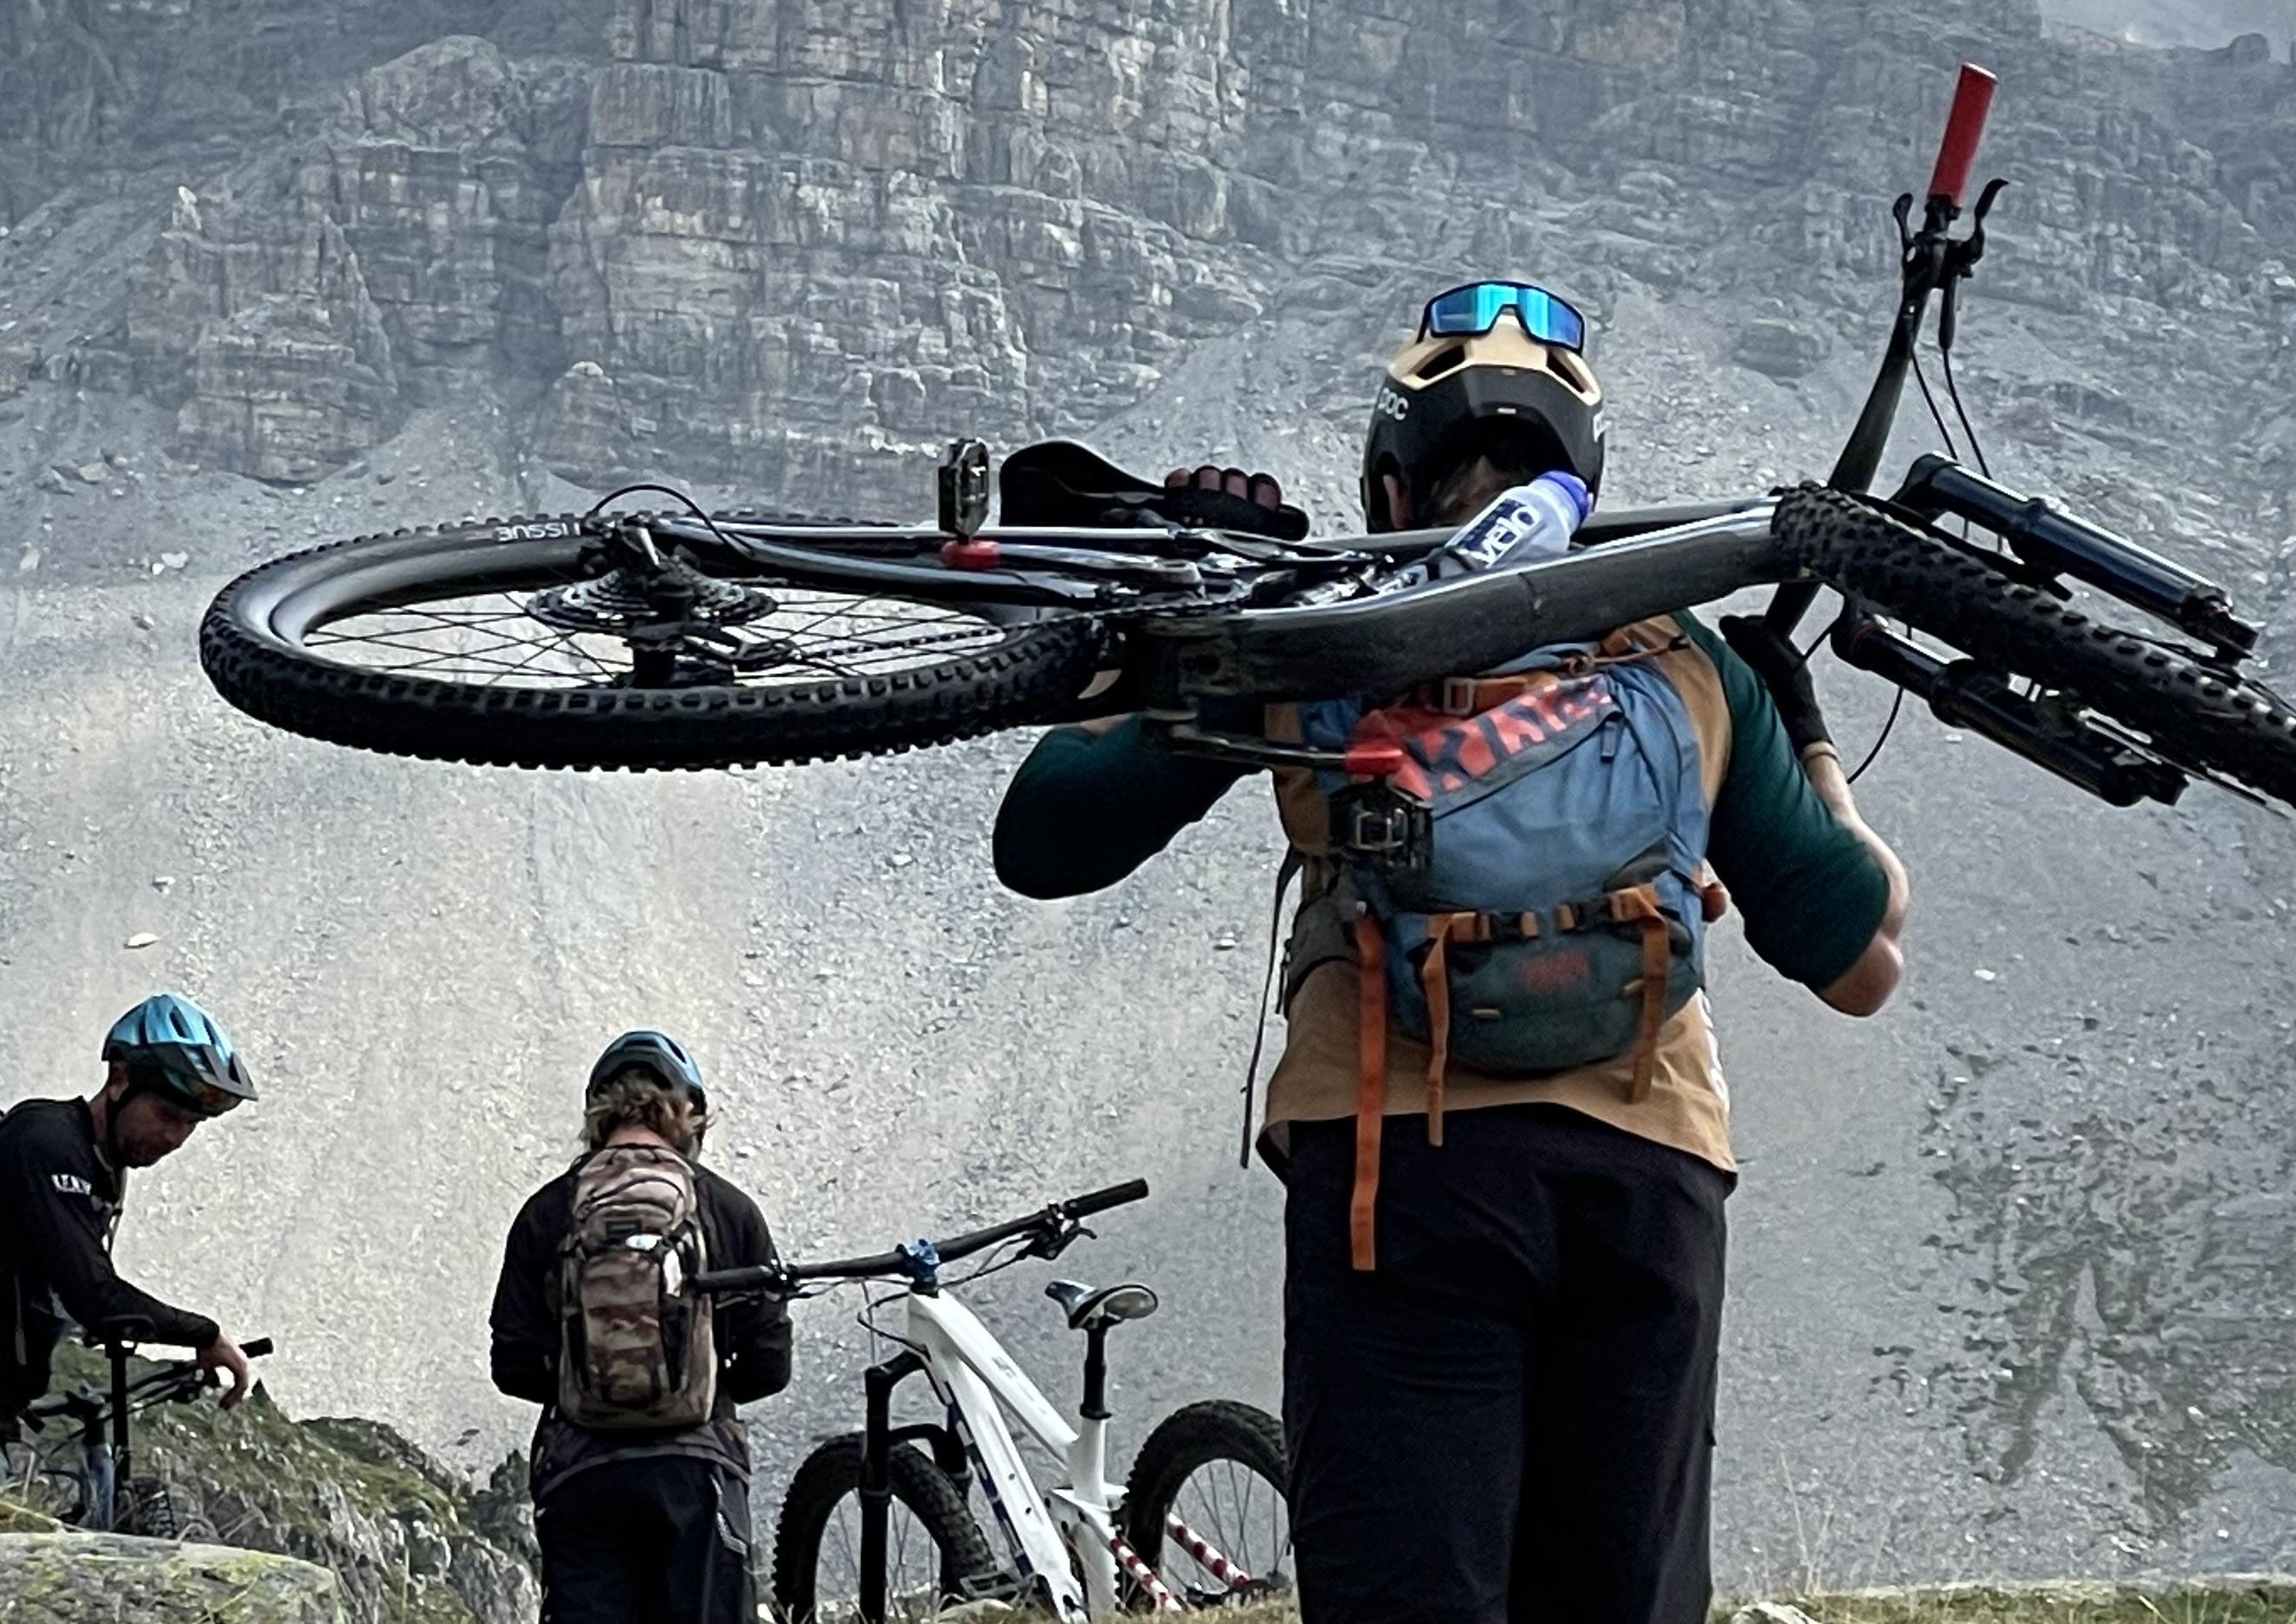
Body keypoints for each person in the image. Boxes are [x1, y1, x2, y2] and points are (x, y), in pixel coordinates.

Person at [993, 281, 1911, 1624]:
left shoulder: (1323, 638)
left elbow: (1047, 840)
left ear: (1387, 482)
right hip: (1648, 1181)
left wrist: (1183, 625)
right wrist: (1810, 742)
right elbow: (1861, 962)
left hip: (1403, 1181)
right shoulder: (1683, 661)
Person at [0, 994, 260, 1484]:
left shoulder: (95, 1161)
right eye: (167, 1114)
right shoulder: (48, 1145)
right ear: (119, 1080)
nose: (176, 1137)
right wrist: (204, 1334)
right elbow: (96, 1296)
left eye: (192, 1125)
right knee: (2, 1557)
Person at [488, 1033, 793, 1624]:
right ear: (690, 1115)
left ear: (597, 1113)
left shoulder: (547, 1211)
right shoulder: (728, 1209)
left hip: (581, 1472)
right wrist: (696, 1382)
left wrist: (587, 1381)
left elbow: (513, 1365)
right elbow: (769, 1366)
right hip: (697, 1470)